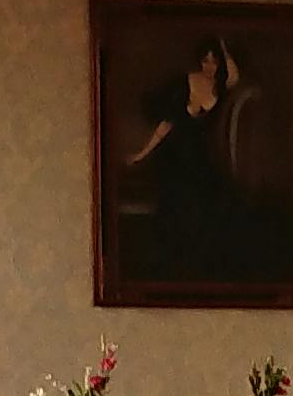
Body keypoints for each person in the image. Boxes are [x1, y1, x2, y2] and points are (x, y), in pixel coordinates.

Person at [114, 36, 280, 285]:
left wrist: (224, 46)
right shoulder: (185, 82)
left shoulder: (220, 87)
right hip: (174, 156)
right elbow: (166, 125)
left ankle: (207, 260)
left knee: (218, 199)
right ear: (199, 61)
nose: (210, 67)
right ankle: (174, 258)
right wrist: (141, 154)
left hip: (200, 156)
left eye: (215, 62)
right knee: (180, 198)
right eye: (206, 60)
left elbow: (234, 76)